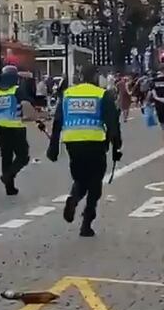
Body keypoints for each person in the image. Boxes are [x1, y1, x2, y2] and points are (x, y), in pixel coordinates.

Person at [46, 65, 122, 237]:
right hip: (95, 142)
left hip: (72, 143)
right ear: (95, 77)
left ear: (80, 77)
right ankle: (86, 223)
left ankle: (74, 198)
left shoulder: (67, 94)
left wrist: (53, 148)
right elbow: (113, 124)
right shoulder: (102, 94)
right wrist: (116, 148)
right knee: (95, 183)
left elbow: (57, 122)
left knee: (80, 178)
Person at [0, 65, 32, 196]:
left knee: (6, 157)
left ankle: (9, 188)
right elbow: (25, 104)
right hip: (16, 127)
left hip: (0, 127)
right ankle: (9, 175)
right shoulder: (16, 90)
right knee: (23, 156)